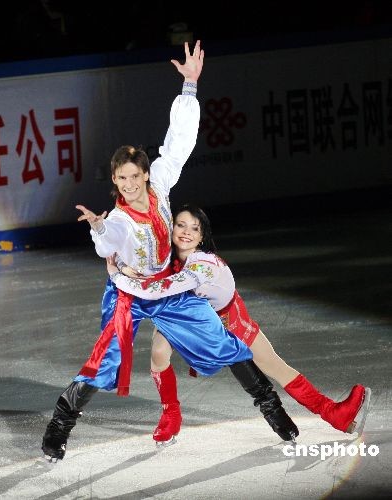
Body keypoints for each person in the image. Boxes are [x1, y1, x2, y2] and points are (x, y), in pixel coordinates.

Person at [42, 41, 298, 462]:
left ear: (145, 174)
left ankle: (272, 409)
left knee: (220, 339)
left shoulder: (159, 185)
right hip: (128, 292)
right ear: (114, 180)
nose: (129, 184)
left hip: (167, 286)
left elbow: (177, 143)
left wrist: (190, 86)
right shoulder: (119, 219)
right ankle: (60, 424)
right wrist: (99, 227)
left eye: (134, 176)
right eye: (121, 178)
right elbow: (108, 243)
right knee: (107, 360)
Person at [107, 204, 372, 442]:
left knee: (275, 367)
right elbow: (134, 255)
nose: (186, 232)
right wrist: (119, 258)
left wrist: (116, 275)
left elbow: (157, 289)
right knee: (158, 351)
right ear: (171, 228)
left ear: (202, 236)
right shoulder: (164, 256)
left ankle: (334, 413)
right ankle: (170, 414)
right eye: (181, 225)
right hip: (187, 318)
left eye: (195, 228)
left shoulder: (202, 265)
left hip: (229, 320)